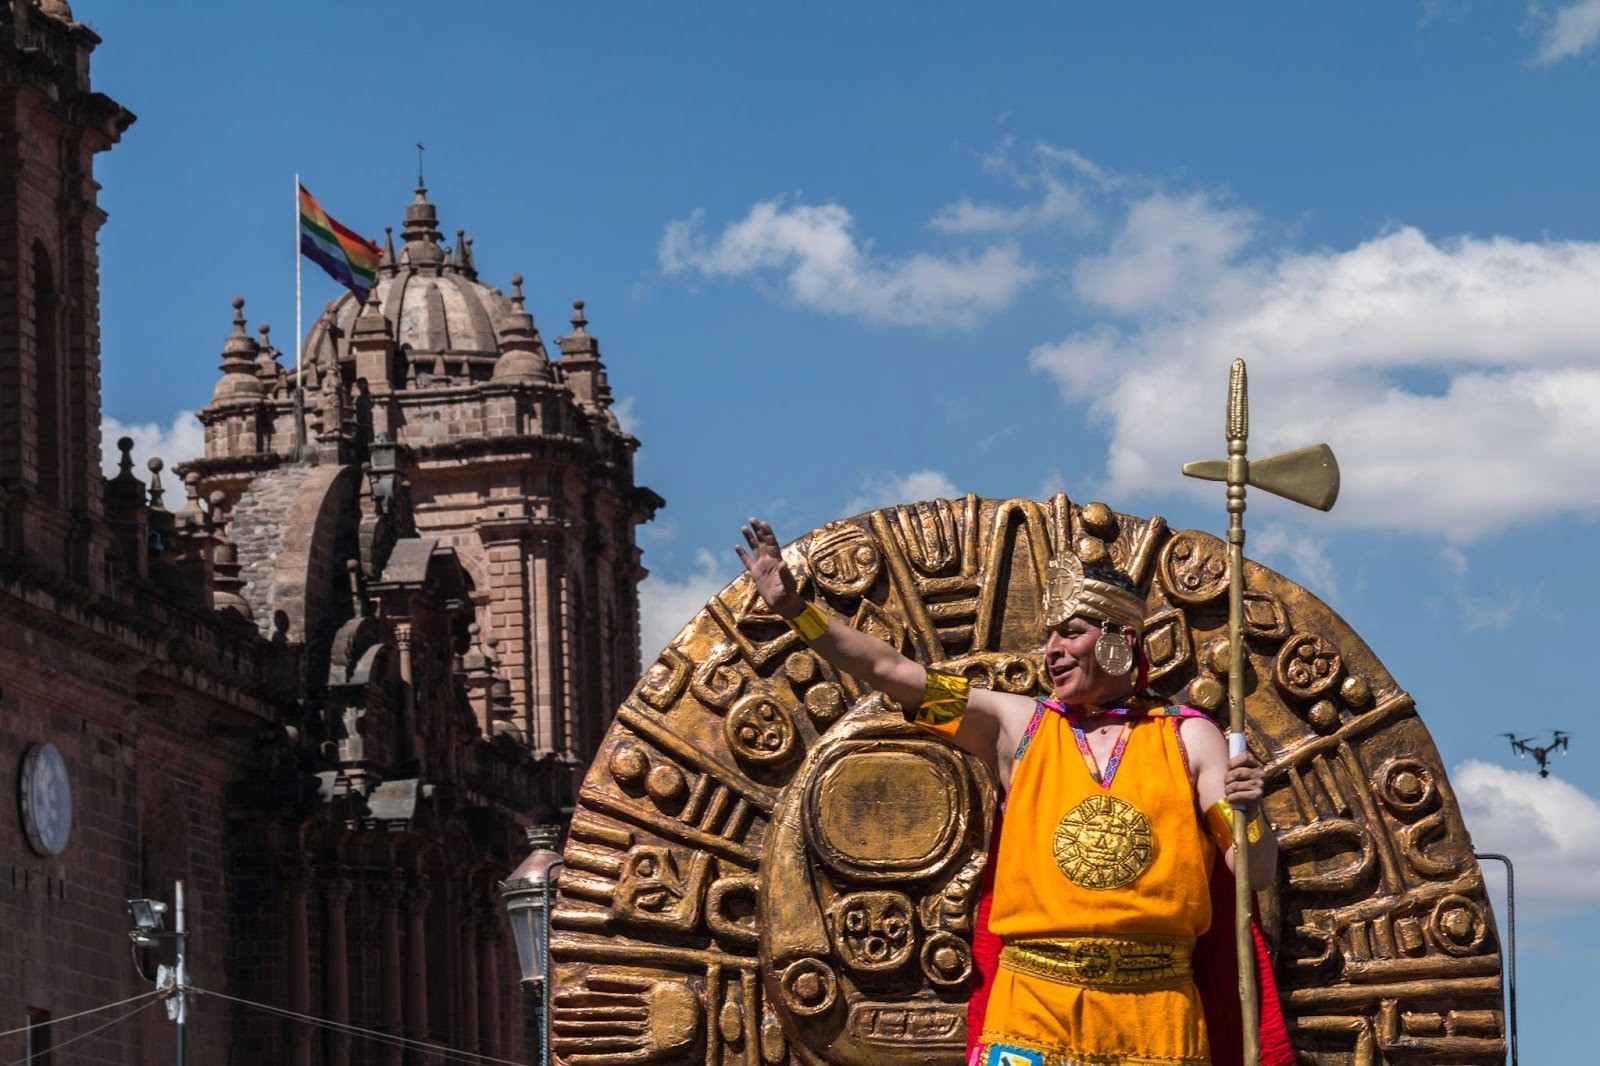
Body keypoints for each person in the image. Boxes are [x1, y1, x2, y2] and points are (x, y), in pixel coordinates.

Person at [737, 517, 1280, 1066]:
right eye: (1049, 636)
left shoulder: (1191, 736)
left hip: (1157, 1014)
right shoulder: (1016, 726)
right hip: (1033, 1007)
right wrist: (795, 610)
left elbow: (1253, 874)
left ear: (1122, 640)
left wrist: (1249, 811)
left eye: (1071, 632)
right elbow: (888, 669)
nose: (1052, 650)